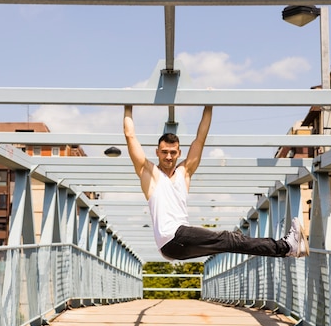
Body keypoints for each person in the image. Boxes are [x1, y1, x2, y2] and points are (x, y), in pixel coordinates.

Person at [123, 105, 309, 261]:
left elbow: (200, 140)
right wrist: (128, 107)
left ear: (179, 153)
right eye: (164, 152)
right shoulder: (150, 175)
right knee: (228, 238)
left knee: (230, 242)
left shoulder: (184, 173)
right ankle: (286, 246)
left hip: (179, 246)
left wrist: (208, 107)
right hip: (171, 239)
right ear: (157, 152)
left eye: (173, 152)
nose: (169, 156)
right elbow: (130, 136)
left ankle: (287, 249)